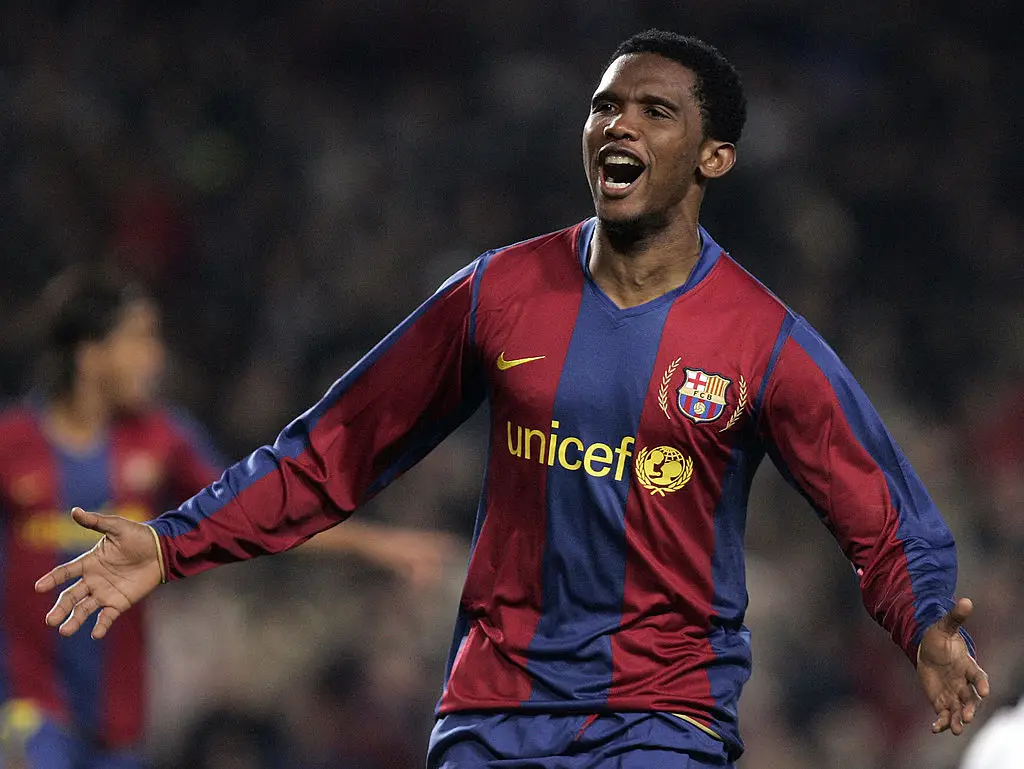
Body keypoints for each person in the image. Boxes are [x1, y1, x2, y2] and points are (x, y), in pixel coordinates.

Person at [35, 30, 989, 768]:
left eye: (654, 111)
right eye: (604, 106)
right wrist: (173, 540)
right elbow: (334, 447)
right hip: (493, 711)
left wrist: (929, 623)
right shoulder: (497, 292)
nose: (618, 126)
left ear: (714, 159)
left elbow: (878, 506)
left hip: (661, 715)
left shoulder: (762, 339)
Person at [1, 268, 458, 769]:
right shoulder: (12, 442)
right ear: (89, 356)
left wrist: (374, 545)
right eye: (140, 339)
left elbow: (252, 515)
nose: (156, 358)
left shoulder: (161, 440)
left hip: (118, 726)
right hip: (26, 707)